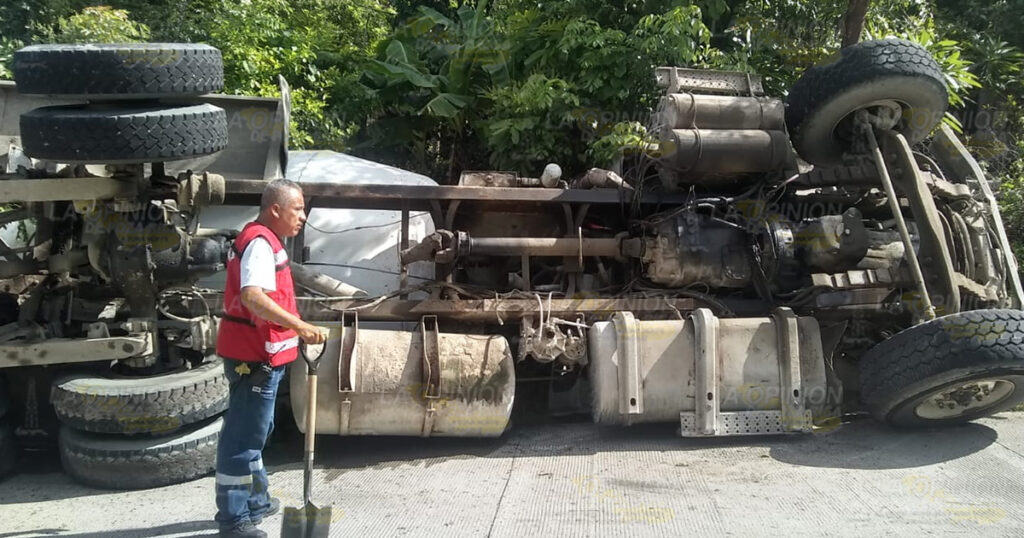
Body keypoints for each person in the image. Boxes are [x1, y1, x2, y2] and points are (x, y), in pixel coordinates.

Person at [214, 179, 326, 538]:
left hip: (262, 357)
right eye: (297, 209)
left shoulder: (263, 238)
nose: (303, 217)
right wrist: (301, 326)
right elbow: (253, 297)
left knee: (258, 431)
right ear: (275, 209)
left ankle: (256, 501)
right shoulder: (260, 243)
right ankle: (234, 520)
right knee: (243, 439)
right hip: (253, 357)